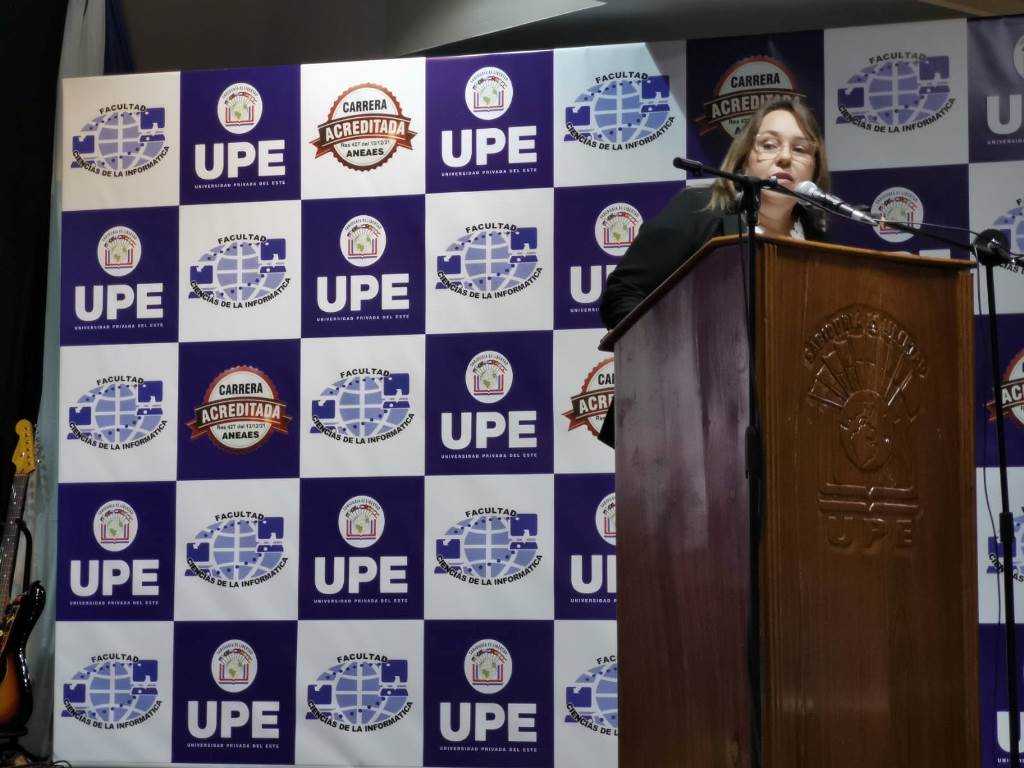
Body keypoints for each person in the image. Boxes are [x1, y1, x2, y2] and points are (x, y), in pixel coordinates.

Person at [597, 96, 832, 447]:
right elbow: (622, 296)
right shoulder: (701, 211)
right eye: (769, 144)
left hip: (785, 430)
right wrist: (685, 357)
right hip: (679, 425)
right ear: (744, 160)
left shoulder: (818, 243)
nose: (784, 157)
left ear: (814, 171)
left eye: (801, 149)